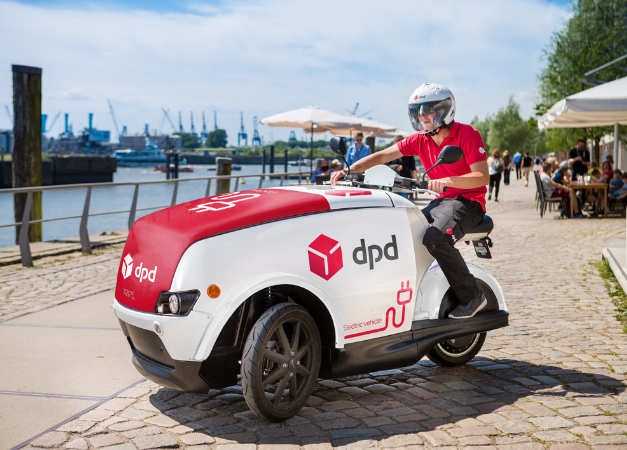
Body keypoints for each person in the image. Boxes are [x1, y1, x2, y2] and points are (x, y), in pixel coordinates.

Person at [331, 83, 490, 319]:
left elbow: (482, 176)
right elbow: (384, 155)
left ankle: (472, 296)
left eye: (428, 109)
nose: (422, 115)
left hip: (469, 202)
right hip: (443, 201)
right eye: (418, 111)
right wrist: (350, 170)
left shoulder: (467, 134)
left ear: (445, 110)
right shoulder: (420, 139)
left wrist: (449, 180)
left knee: (435, 238)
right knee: (402, 232)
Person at [386, 135, 418, 199]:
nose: (398, 144)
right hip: (393, 181)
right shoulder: (390, 153)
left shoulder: (409, 153)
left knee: (403, 200)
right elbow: (387, 167)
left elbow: (413, 169)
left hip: (405, 180)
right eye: (396, 142)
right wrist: (395, 167)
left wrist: (416, 182)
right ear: (394, 143)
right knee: (394, 200)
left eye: (400, 142)